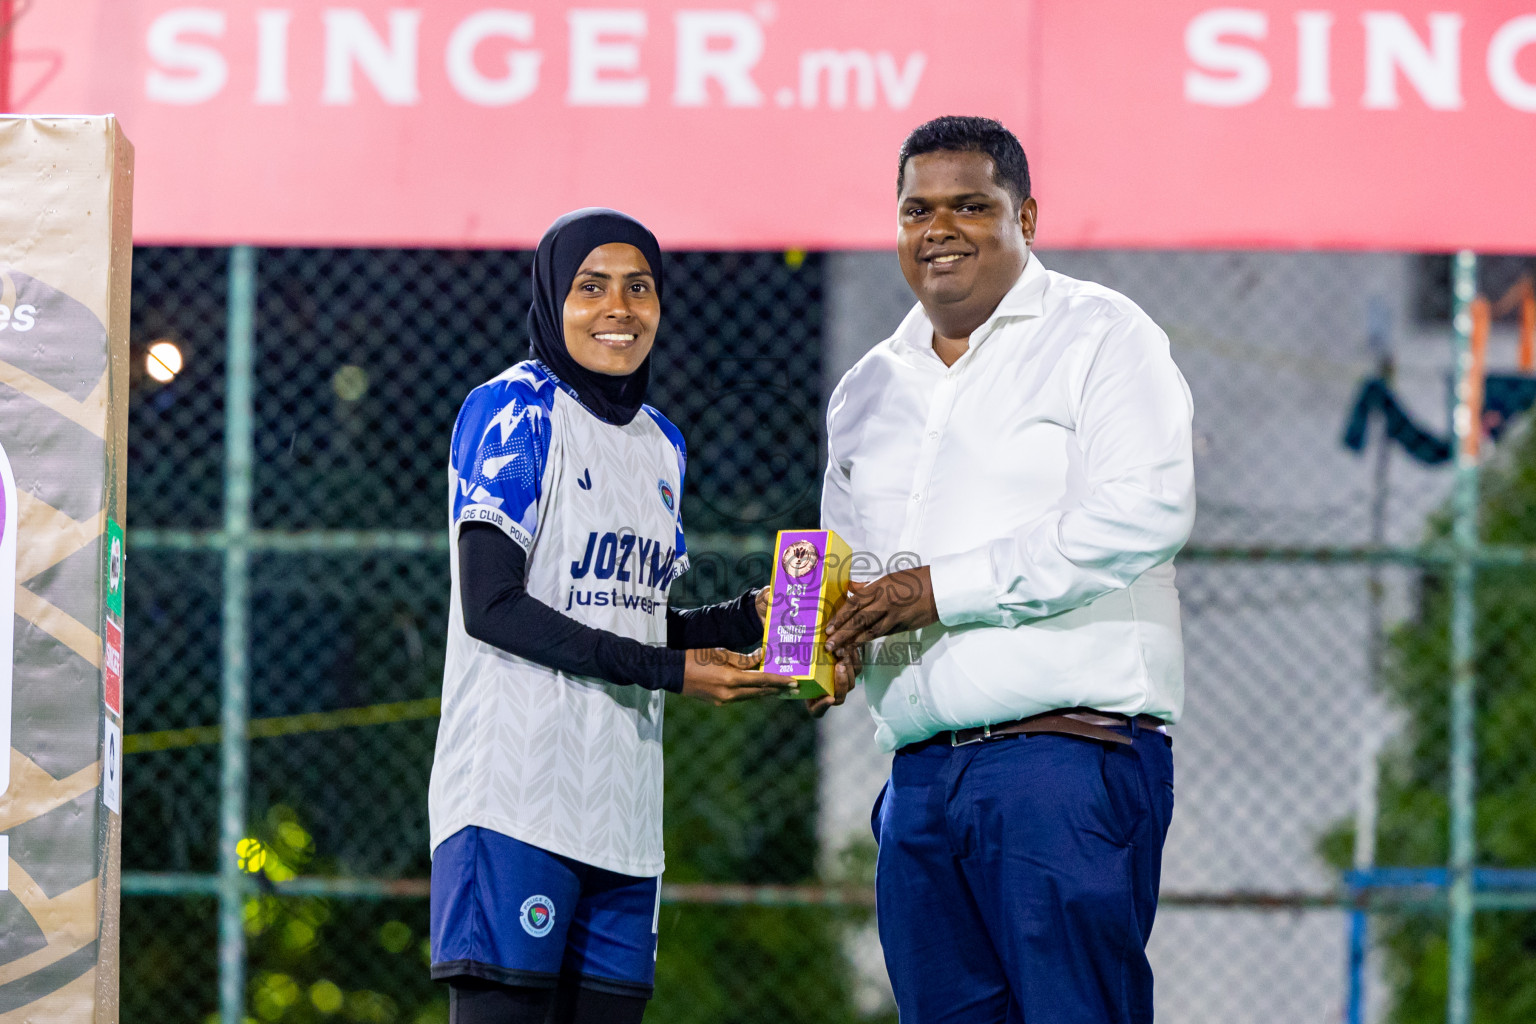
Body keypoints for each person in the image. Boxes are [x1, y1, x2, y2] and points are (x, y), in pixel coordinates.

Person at [821, 116, 1195, 1023]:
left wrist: (936, 588)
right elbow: (842, 566)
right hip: (917, 782)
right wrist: (819, 640)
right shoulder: (868, 387)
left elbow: (1142, 510)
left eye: (971, 205)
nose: (939, 228)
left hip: (1062, 762)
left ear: (1026, 214)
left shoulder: (1101, 335)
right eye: (918, 209)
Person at [427, 208, 800, 1024]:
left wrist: (741, 619)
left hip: (625, 819)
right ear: (553, 296)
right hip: (514, 799)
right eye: (591, 287)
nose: (618, 309)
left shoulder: (662, 444)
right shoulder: (513, 412)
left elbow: (628, 617)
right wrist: (673, 673)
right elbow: (492, 608)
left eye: (640, 288)